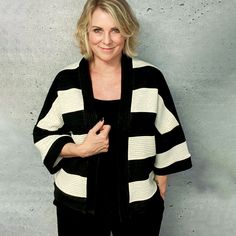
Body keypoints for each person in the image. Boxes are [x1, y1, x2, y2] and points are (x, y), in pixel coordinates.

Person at [33, 0, 192, 235]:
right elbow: (43, 133)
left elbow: (167, 133)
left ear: (127, 31)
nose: (106, 41)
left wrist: (161, 178)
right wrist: (82, 149)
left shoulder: (150, 79)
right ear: (86, 31)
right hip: (77, 204)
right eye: (98, 30)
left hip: (138, 203)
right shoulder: (66, 81)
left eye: (115, 30)